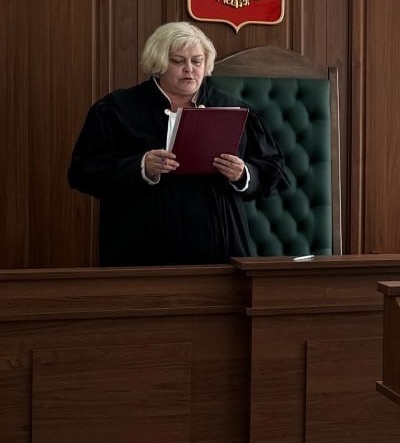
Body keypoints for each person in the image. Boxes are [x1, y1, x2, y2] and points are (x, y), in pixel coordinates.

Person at [68, 21, 289, 266]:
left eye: (197, 61)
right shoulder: (117, 109)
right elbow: (83, 171)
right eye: (178, 61)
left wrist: (243, 174)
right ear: (158, 63)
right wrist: (140, 166)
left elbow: (273, 170)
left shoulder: (234, 108)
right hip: (140, 247)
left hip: (218, 248)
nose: (189, 70)